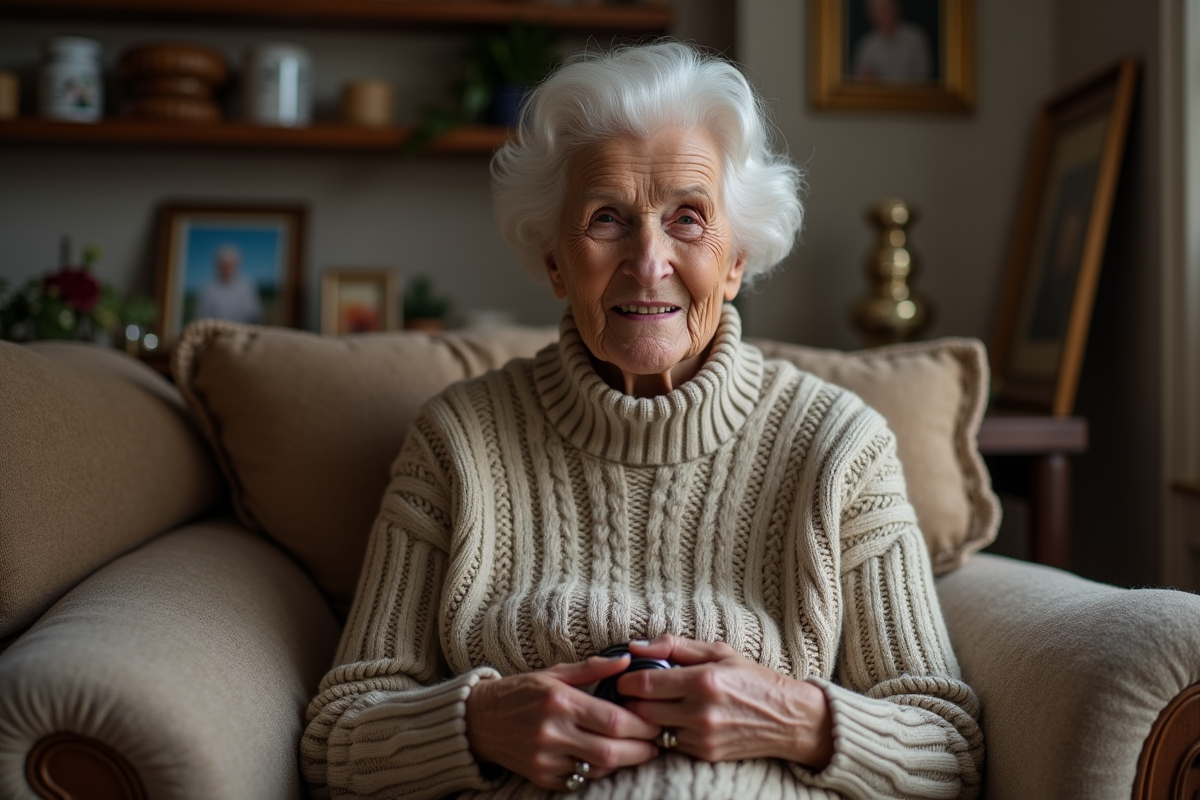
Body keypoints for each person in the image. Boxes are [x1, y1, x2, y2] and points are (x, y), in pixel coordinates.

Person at [302, 41, 982, 799]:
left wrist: (797, 719)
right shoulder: (459, 440)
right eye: (606, 219)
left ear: (736, 260)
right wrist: (481, 722)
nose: (648, 260)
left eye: (687, 218)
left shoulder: (839, 445)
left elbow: (947, 750)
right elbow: (340, 739)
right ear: (555, 259)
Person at [852, 0, 933, 83]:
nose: (883, 14)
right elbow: (859, 80)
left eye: (886, 9)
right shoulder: (866, 45)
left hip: (913, 95)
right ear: (870, 14)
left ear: (896, 8)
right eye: (878, 11)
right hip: (879, 95)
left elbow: (925, 76)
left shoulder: (916, 38)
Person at [194, 244, 262, 324]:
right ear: (218, 266)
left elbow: (254, 313)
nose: (227, 270)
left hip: (242, 332)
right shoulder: (208, 289)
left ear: (236, 265)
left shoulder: (246, 286)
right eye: (224, 266)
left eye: (230, 266)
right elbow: (202, 317)